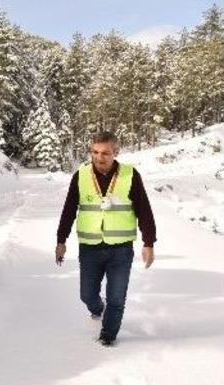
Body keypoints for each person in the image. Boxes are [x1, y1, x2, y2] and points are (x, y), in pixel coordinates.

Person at [55, 131, 157, 346]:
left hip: (120, 249)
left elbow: (144, 210)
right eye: (95, 152)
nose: (100, 157)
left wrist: (149, 242)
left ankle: (108, 336)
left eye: (106, 153)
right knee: (87, 295)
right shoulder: (81, 175)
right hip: (90, 247)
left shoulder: (130, 175)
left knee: (117, 298)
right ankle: (97, 309)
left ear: (115, 152)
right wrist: (61, 240)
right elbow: (68, 210)